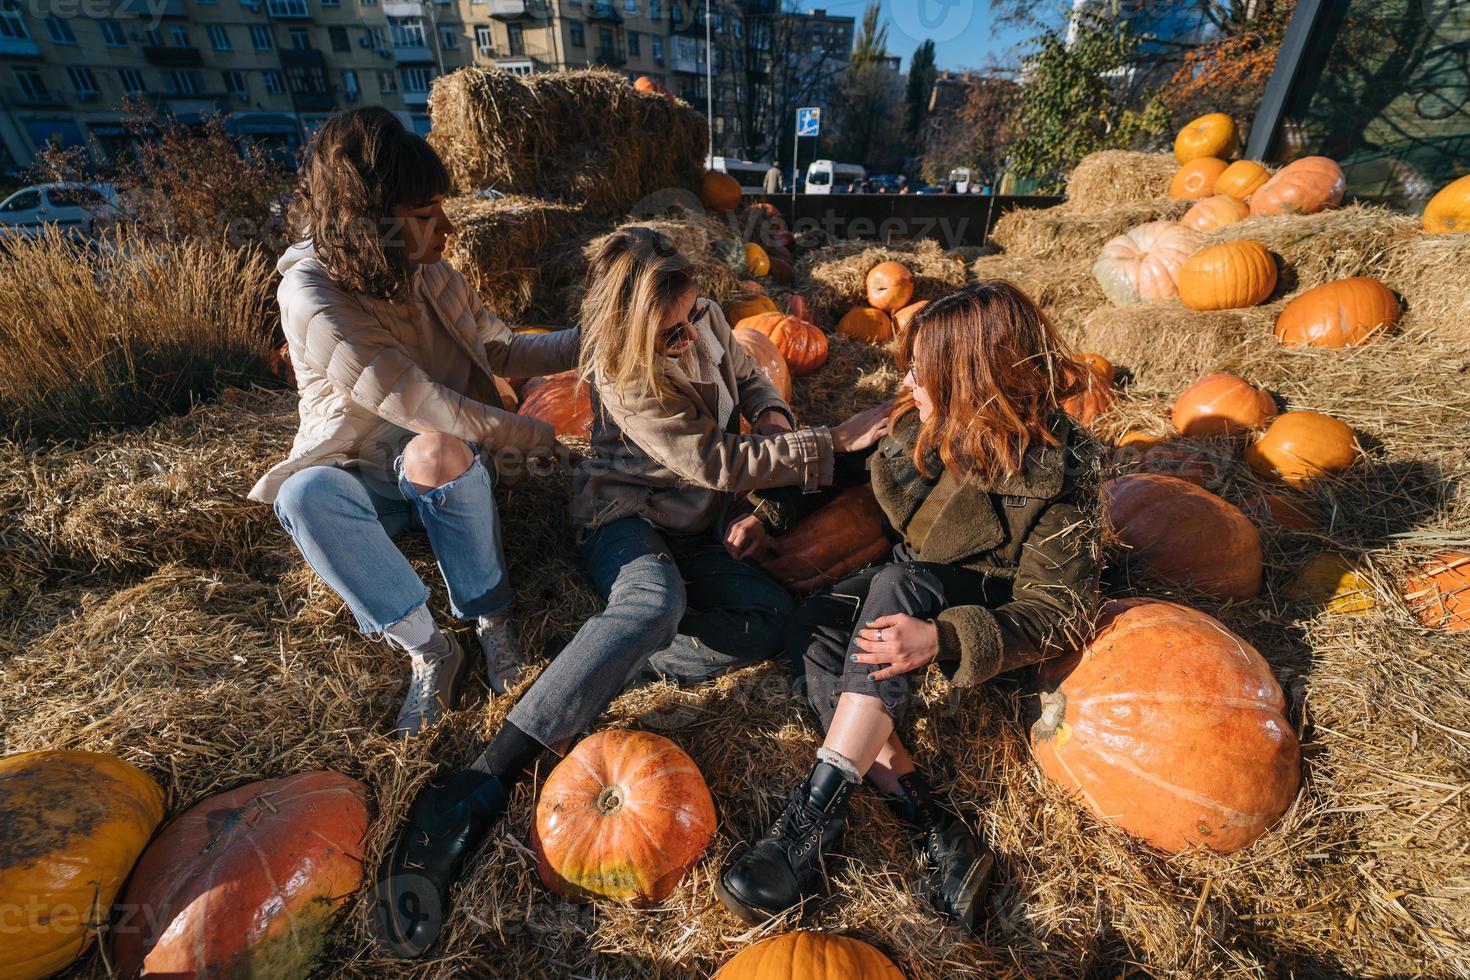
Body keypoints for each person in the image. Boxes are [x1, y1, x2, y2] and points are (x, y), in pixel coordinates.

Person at [373, 226, 891, 957]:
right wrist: (830, 443)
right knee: (654, 602)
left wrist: (773, 411)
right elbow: (714, 460)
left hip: (697, 521)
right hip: (628, 517)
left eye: (690, 319)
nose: (687, 335)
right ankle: (478, 786)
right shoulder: (622, 375)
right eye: (668, 335)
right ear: (628, 332)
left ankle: (613, 655)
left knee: (770, 620)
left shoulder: (699, 311)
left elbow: (745, 372)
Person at [717, 280, 1105, 933]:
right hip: (905, 578)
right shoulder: (917, 417)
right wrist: (769, 514)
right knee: (815, 629)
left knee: (900, 588)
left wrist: (943, 639)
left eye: (924, 369)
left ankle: (809, 819)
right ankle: (934, 826)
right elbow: (847, 469)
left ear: (974, 380)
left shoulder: (1064, 469)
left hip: (977, 596)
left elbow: (1063, 609)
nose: (909, 379)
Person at [248, 107, 579, 738]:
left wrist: (591, 343)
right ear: (368, 223)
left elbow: (502, 349)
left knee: (437, 453)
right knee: (304, 493)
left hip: (445, 470)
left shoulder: (432, 275)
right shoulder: (313, 298)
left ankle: (492, 624)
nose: (447, 229)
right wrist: (533, 435)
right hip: (366, 478)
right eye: (425, 217)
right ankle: (429, 650)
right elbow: (418, 401)